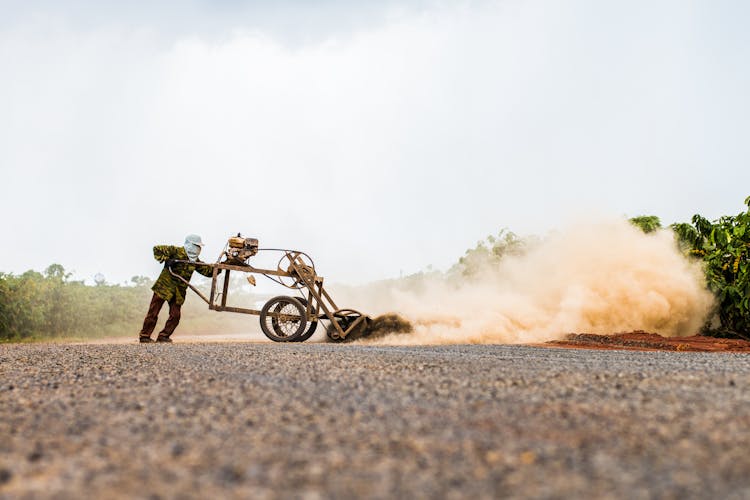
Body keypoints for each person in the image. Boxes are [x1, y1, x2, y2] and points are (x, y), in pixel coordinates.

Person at [138, 234, 215, 343]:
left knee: (175, 315)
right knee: (153, 312)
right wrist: (167, 260)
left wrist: (223, 265)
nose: (198, 248)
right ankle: (145, 336)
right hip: (163, 287)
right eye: (196, 246)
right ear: (189, 244)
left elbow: (209, 271)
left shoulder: (195, 261)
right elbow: (156, 249)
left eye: (199, 247)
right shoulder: (175, 251)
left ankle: (163, 336)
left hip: (178, 291)